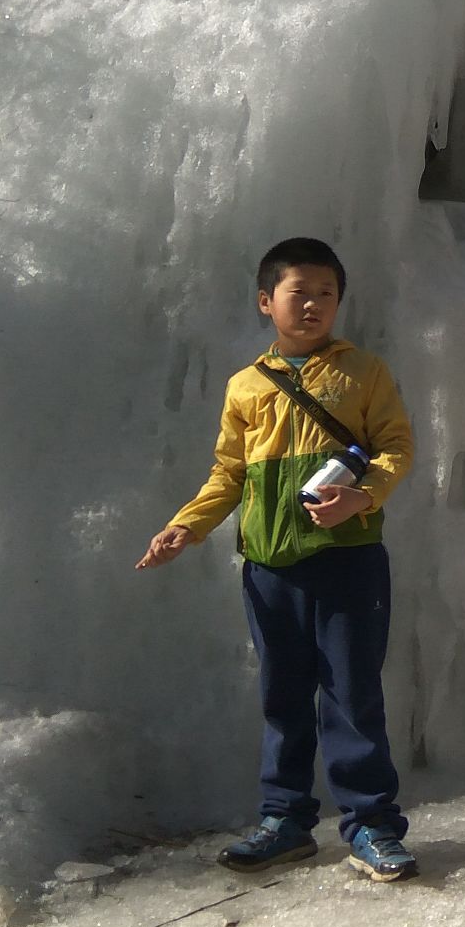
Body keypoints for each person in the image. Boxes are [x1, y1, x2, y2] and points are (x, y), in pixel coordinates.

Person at [137, 236, 420, 882]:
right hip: (268, 566)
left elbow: (395, 448)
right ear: (268, 302)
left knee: (351, 694)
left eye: (327, 292)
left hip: (347, 558)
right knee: (283, 696)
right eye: (300, 292)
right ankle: (285, 820)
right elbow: (229, 473)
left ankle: (372, 825)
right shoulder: (245, 386)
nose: (314, 303)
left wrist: (363, 497)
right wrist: (186, 527)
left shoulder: (362, 373)